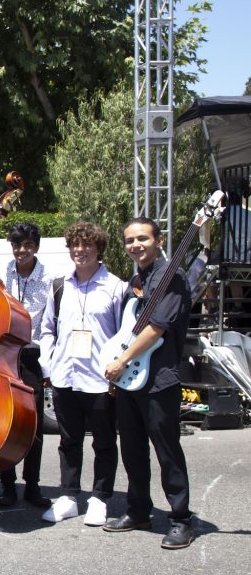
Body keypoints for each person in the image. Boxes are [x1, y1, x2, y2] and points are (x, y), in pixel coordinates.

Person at [103, 218, 194, 550]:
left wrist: (120, 361)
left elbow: (156, 328)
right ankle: (138, 510)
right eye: (129, 240)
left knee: (167, 451)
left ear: (159, 240)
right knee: (132, 449)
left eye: (142, 238)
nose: (135, 245)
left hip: (159, 380)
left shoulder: (173, 278)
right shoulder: (137, 279)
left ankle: (181, 519)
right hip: (131, 381)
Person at [38, 221, 124, 525]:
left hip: (100, 379)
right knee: (68, 440)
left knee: (103, 441)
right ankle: (69, 496)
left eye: (87, 244)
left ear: (99, 249)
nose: (80, 250)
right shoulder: (60, 285)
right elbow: (47, 328)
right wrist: (48, 363)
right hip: (64, 375)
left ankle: (100, 498)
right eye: (75, 244)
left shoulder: (116, 287)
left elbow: (123, 334)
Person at [0, 222, 53, 509]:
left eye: (28, 245)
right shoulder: (3, 273)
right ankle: (8, 486)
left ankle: (32, 485)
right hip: (4, 355)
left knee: (33, 427)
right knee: (7, 422)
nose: (22, 251)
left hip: (32, 358)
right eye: (17, 245)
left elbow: (51, 323)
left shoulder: (49, 278)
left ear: (36, 247)